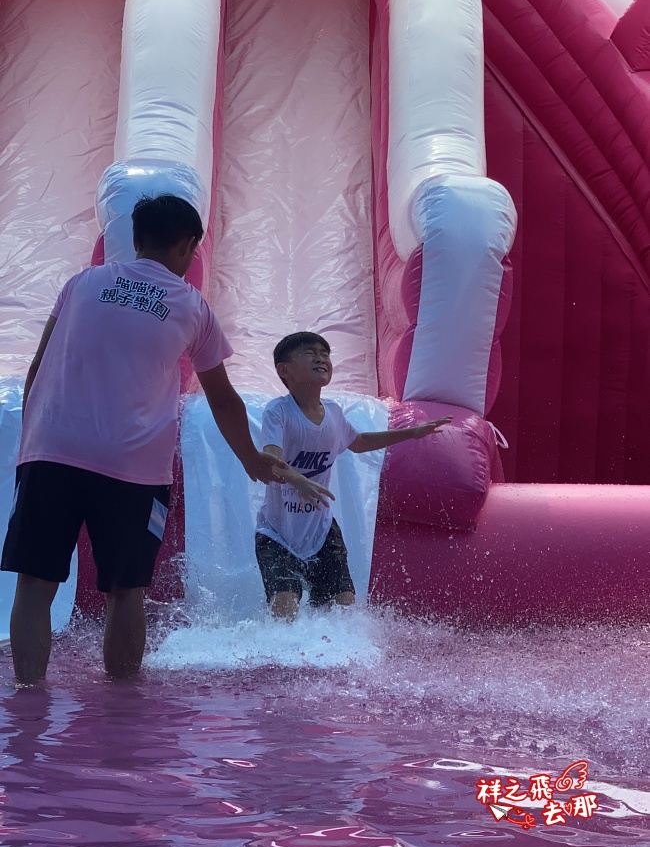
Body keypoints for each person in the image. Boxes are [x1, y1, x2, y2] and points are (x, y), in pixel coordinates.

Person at [1, 197, 326, 685]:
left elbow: (38, 366)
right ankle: (124, 715)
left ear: (136, 240)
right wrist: (252, 461)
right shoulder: (191, 306)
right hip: (131, 469)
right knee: (126, 592)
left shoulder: (81, 284)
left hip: (52, 453)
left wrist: (32, 446)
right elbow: (223, 399)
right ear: (190, 246)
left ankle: (25, 702)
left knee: (34, 585)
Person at [255, 331, 452, 621]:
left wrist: (411, 432)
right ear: (284, 369)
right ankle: (279, 661)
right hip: (277, 532)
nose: (321, 357)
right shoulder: (279, 412)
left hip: (321, 529)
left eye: (325, 353)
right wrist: (297, 479)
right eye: (310, 353)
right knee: (286, 603)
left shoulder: (333, 413)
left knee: (342, 604)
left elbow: (358, 443)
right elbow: (270, 460)